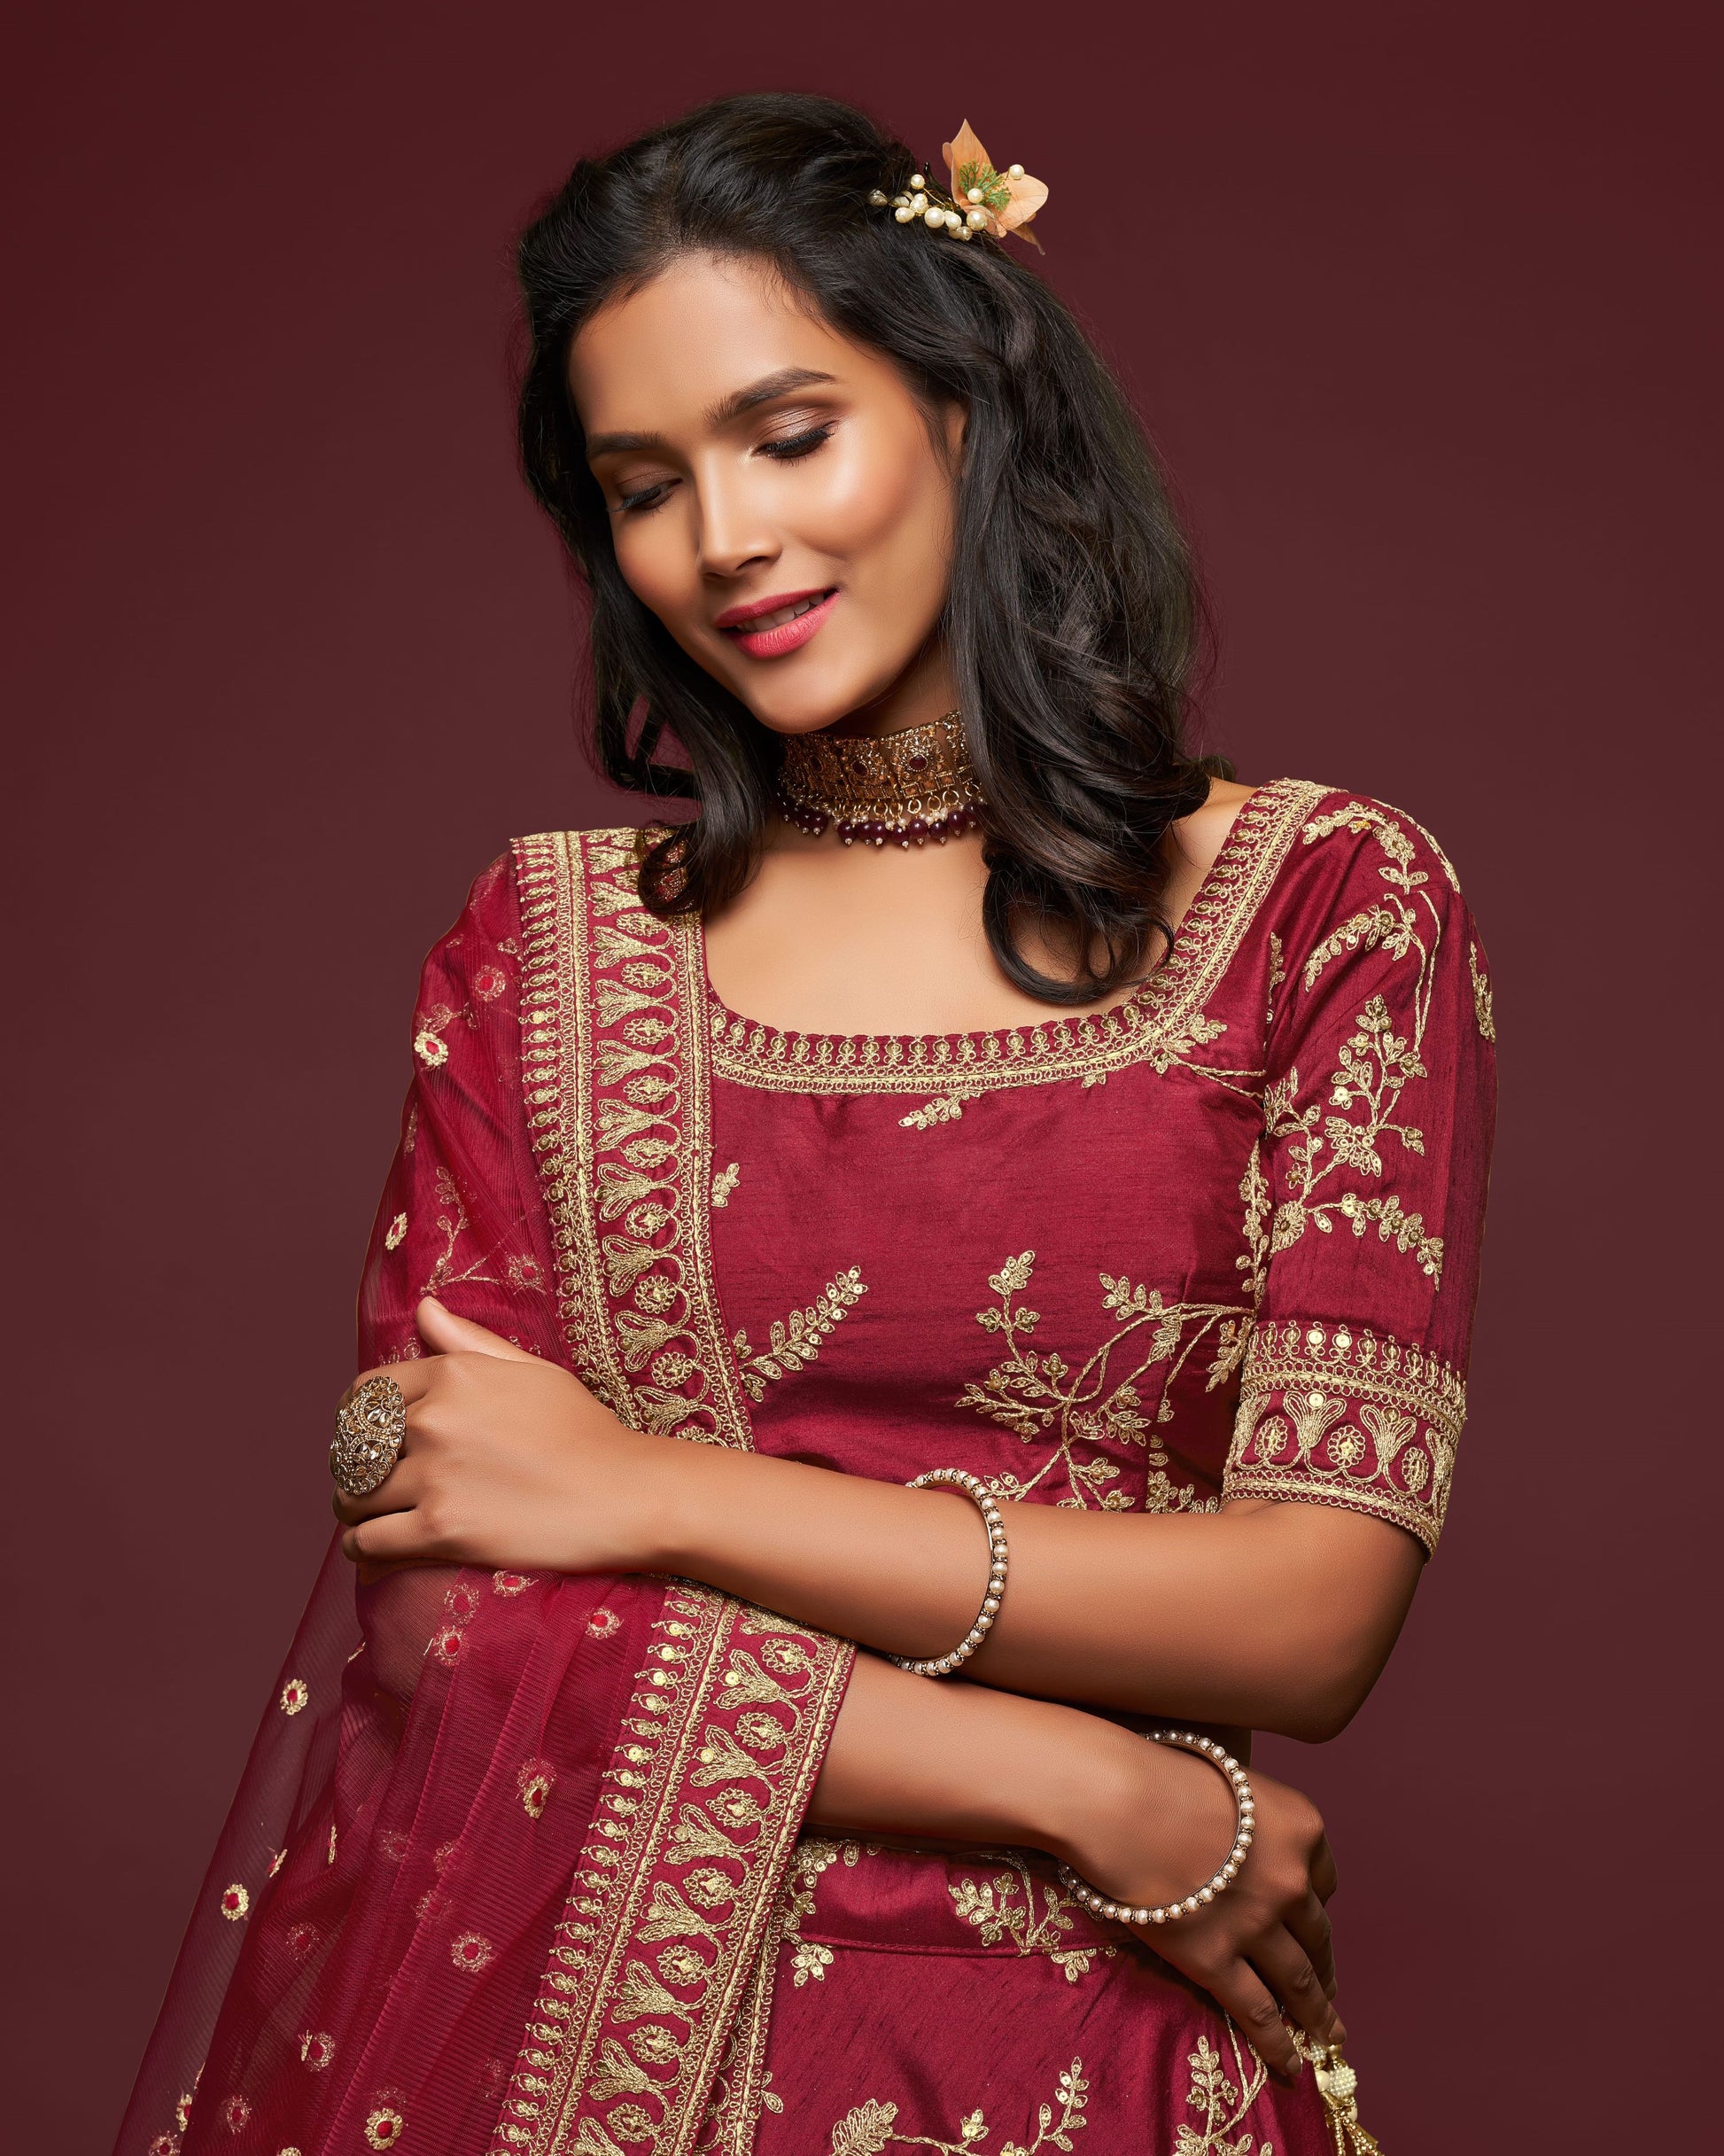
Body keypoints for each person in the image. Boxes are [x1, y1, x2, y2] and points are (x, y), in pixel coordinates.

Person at [120, 93, 1495, 2156]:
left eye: (788, 433)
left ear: (965, 401)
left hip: (1112, 2067)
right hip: (591, 2053)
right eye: (644, 485)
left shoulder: (1316, 903)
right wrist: (1085, 1784)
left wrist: (643, 1496)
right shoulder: (544, 944)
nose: (726, 541)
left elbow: (1308, 1610)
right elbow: (448, 1590)